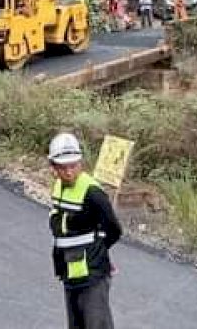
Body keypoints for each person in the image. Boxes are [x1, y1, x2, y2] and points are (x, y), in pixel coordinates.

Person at [48, 133, 122, 329]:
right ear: (53, 168)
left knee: (96, 325)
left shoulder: (93, 192)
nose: (69, 172)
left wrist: (100, 252)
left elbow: (114, 229)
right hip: (70, 271)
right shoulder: (58, 187)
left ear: (80, 163)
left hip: (93, 274)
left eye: (73, 165)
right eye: (63, 167)